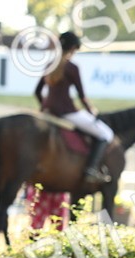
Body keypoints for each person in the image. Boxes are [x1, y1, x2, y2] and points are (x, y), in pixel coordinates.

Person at [34, 31, 115, 181]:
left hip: (48, 111)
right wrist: (92, 111)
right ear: (72, 49)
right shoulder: (72, 68)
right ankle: (91, 169)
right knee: (106, 134)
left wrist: (45, 106)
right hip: (66, 112)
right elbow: (82, 96)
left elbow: (37, 92)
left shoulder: (49, 64)